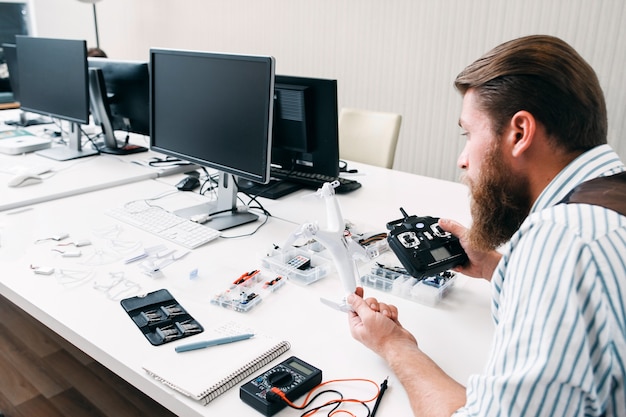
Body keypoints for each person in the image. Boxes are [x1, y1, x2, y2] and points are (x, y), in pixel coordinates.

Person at [347, 34, 626, 417]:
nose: (463, 160)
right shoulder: (611, 197)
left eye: (468, 133)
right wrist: (499, 268)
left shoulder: (563, 242)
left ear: (519, 133)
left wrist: (395, 345)